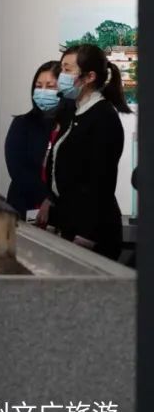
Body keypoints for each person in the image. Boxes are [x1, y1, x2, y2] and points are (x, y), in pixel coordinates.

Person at [44, 44, 131, 260]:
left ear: (89, 77)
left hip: (92, 233)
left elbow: (101, 182)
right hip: (68, 222)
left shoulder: (103, 117)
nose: (61, 76)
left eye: (67, 70)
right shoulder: (72, 112)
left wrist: (86, 235)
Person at [3, 61, 61, 219]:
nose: (43, 92)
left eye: (50, 87)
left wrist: (53, 201)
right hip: (24, 205)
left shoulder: (70, 126)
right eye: (38, 86)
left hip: (59, 211)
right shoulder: (22, 124)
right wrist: (44, 198)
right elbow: (17, 169)